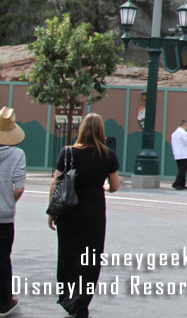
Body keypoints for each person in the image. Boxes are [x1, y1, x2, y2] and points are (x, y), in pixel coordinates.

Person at [48, 113, 119, 318]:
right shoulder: (108, 155)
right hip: (94, 211)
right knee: (89, 259)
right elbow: (114, 186)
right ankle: (81, 302)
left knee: (68, 255)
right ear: (101, 131)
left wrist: (52, 211)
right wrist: (102, 186)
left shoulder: (68, 152)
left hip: (68, 210)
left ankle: (68, 298)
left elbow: (56, 182)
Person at [0, 108, 25, 317]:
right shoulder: (18, 155)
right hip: (5, 217)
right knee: (3, 259)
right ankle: (4, 302)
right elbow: (19, 188)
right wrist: (9, 200)